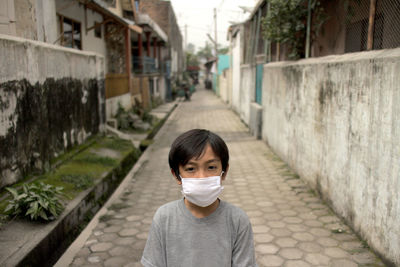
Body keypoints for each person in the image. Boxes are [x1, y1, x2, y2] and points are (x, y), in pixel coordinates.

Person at [141, 129, 258, 267]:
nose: (202, 177)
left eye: (211, 167)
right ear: (176, 175)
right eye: (191, 169)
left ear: (224, 172)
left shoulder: (237, 220)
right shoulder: (164, 218)